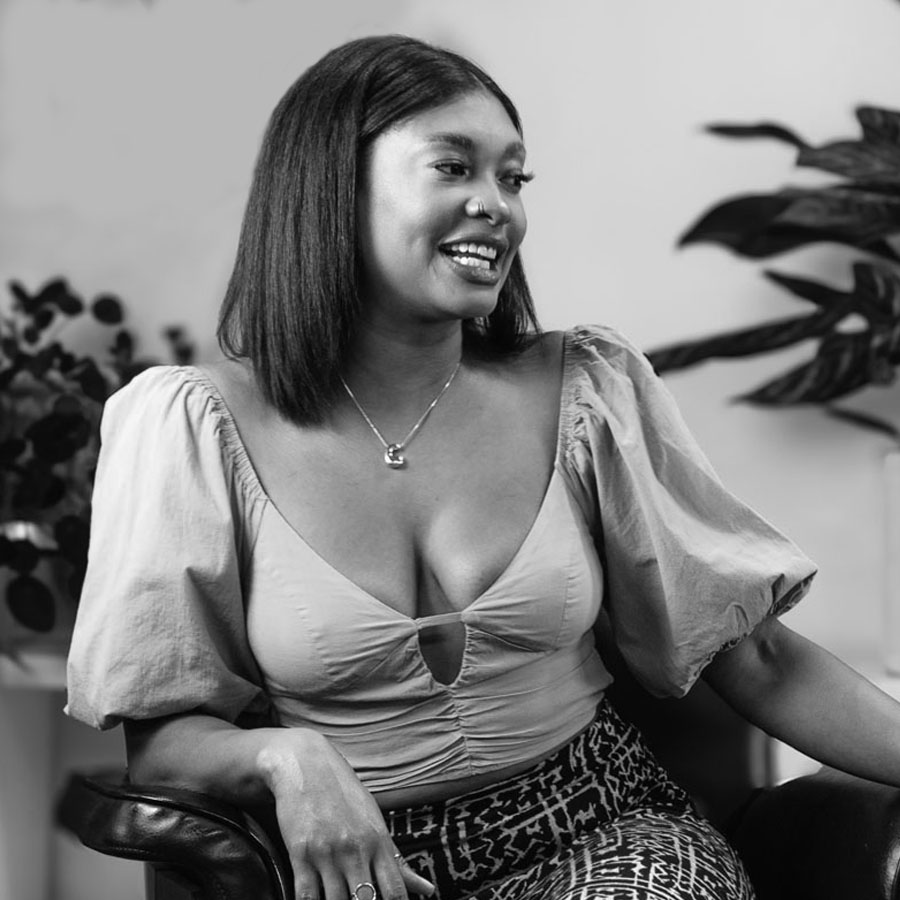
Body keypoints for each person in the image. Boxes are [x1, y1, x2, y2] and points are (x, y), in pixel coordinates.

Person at [65, 34, 900, 900]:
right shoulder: (189, 424)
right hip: (350, 869)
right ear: (330, 189)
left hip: (601, 834)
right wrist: (284, 754)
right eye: (453, 167)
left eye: (513, 176)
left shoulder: (585, 390)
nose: (497, 205)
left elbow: (757, 657)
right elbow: (160, 741)